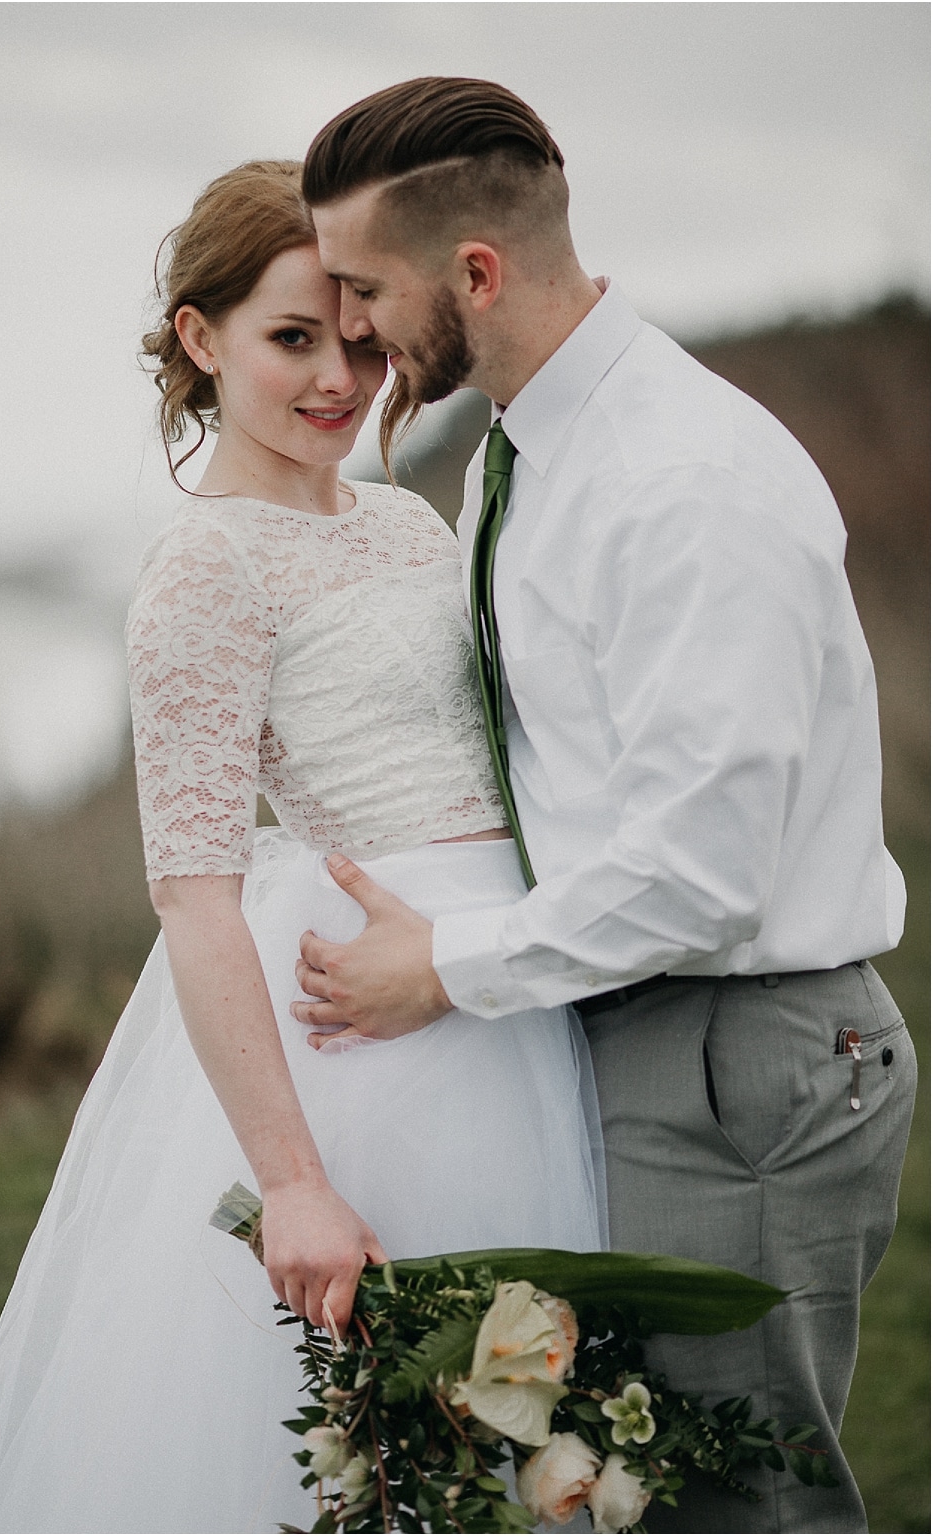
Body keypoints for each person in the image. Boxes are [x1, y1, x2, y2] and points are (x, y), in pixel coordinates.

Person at [0, 161, 605, 1535]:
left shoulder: (408, 519)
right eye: (293, 338)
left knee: (519, 1434)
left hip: (505, 994)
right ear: (200, 337)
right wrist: (292, 1180)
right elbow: (194, 899)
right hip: (372, 1051)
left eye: (358, 336)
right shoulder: (203, 570)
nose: (338, 377)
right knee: (377, 1441)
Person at [290, 78, 915, 1534]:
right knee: (625, 1494)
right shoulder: (528, 451)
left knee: (734, 1503)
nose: (358, 330)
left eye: (368, 289)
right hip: (635, 1035)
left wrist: (443, 967)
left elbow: (705, 875)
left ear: (478, 272)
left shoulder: (682, 482)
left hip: (737, 1064)